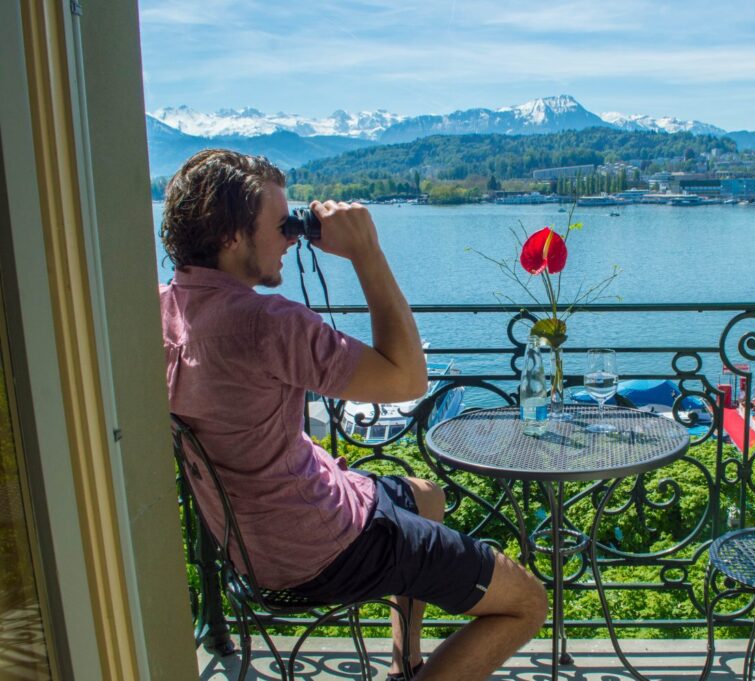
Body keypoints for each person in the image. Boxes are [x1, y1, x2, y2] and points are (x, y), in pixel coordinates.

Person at [159, 149, 547, 681]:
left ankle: (405, 666)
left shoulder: (160, 311)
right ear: (230, 236)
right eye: (281, 224)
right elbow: (408, 379)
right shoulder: (267, 323)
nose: (293, 236)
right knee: (526, 603)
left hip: (249, 544)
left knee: (426, 496)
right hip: (322, 548)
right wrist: (367, 253)